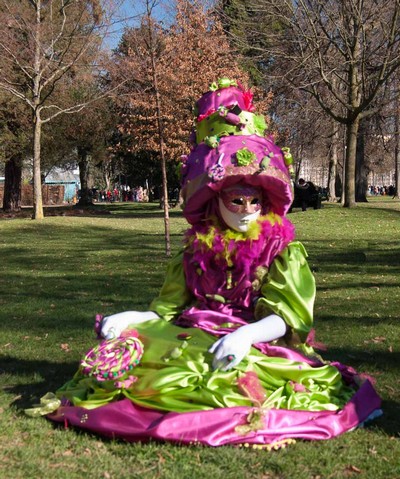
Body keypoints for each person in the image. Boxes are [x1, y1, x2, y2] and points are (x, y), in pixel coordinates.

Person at [28, 79, 381, 449]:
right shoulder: (193, 251)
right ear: (215, 200)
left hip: (257, 341)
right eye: (236, 199)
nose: (246, 210)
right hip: (193, 332)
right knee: (145, 358)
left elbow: (289, 317)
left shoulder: (281, 250)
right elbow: (167, 311)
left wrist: (245, 335)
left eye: (254, 200)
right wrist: (131, 318)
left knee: (231, 378)